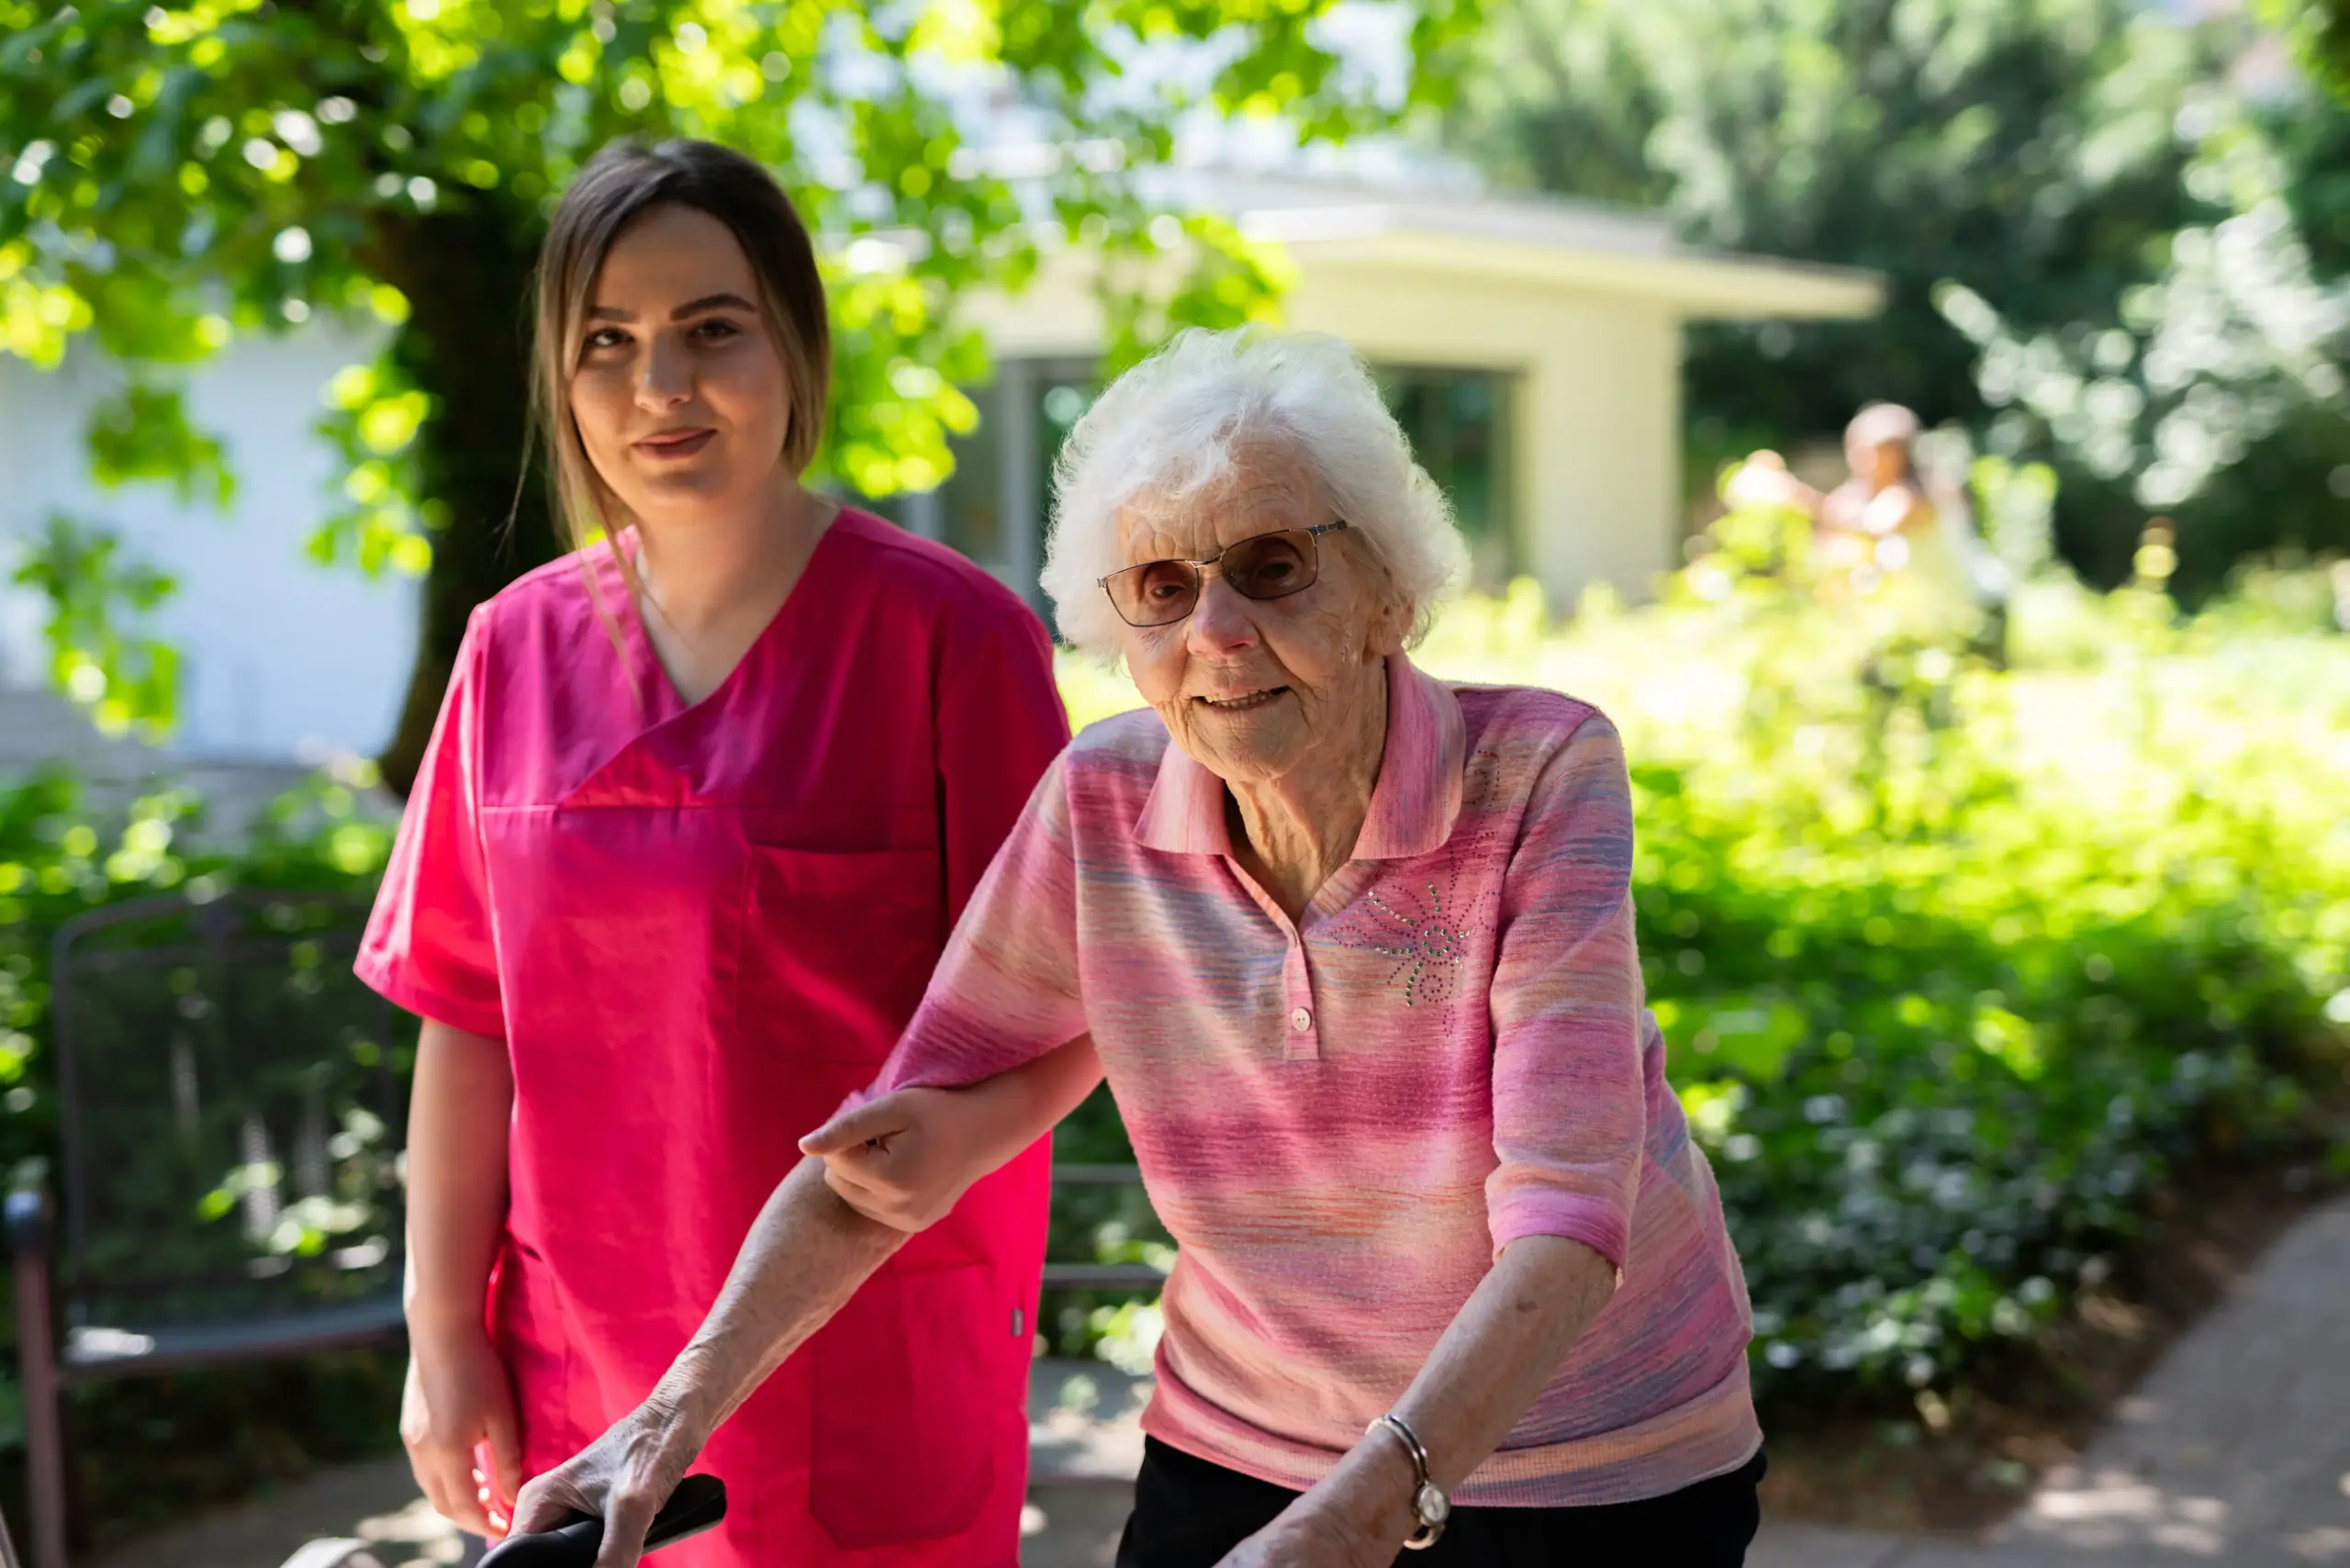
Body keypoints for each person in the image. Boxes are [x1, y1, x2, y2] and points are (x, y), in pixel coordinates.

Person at [515, 327, 1765, 1566]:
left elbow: (1565, 1211)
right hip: (1244, 1433)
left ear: (1389, 587)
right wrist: (665, 1423)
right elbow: (890, 1151)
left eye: (1271, 566)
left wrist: (1353, 1521)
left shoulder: (1540, 773)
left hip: (1590, 1455)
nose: (1214, 632)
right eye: (1162, 589)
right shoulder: (1102, 802)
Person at [355, 138, 1069, 1568]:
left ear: (794, 346)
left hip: (867, 1351)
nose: (659, 387)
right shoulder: (510, 654)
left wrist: (971, 1134)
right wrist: (440, 1334)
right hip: (580, 1351)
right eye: (607, 343)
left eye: (710, 331)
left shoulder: (952, 641)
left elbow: (1099, 992)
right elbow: (464, 1014)